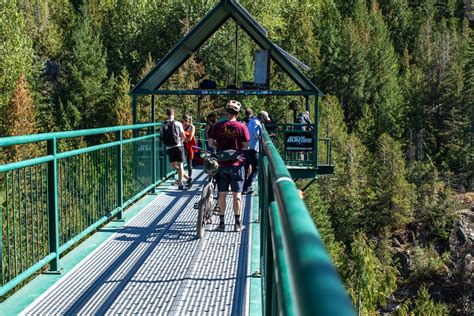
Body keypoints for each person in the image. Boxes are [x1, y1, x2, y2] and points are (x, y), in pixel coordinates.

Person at [209, 100, 250, 232]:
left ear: (226, 112)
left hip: (221, 165)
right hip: (237, 165)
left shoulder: (218, 125)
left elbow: (210, 143)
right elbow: (245, 146)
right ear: (238, 113)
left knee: (222, 194)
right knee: (236, 195)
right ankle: (237, 224)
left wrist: (220, 148)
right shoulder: (242, 127)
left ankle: (221, 224)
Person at [243, 111, 270, 195]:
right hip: (253, 149)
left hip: (247, 148)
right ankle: (246, 187)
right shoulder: (257, 123)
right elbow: (257, 134)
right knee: (257, 168)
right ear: (262, 118)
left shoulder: (251, 121)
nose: (264, 121)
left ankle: (243, 187)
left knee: (245, 169)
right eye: (264, 119)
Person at [160, 108, 187, 190]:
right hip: (178, 146)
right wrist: (181, 141)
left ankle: (184, 178)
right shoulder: (178, 123)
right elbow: (184, 136)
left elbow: (161, 136)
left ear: (167, 114)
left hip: (169, 147)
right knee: (180, 165)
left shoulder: (163, 124)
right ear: (173, 114)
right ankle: (181, 183)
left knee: (173, 165)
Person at [182, 114, 197, 186]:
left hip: (189, 146)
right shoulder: (181, 126)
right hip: (181, 146)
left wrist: (182, 140)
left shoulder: (191, 127)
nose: (183, 122)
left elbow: (190, 138)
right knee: (180, 162)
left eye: (185, 120)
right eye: (183, 120)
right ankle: (182, 178)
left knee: (189, 163)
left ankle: (190, 178)